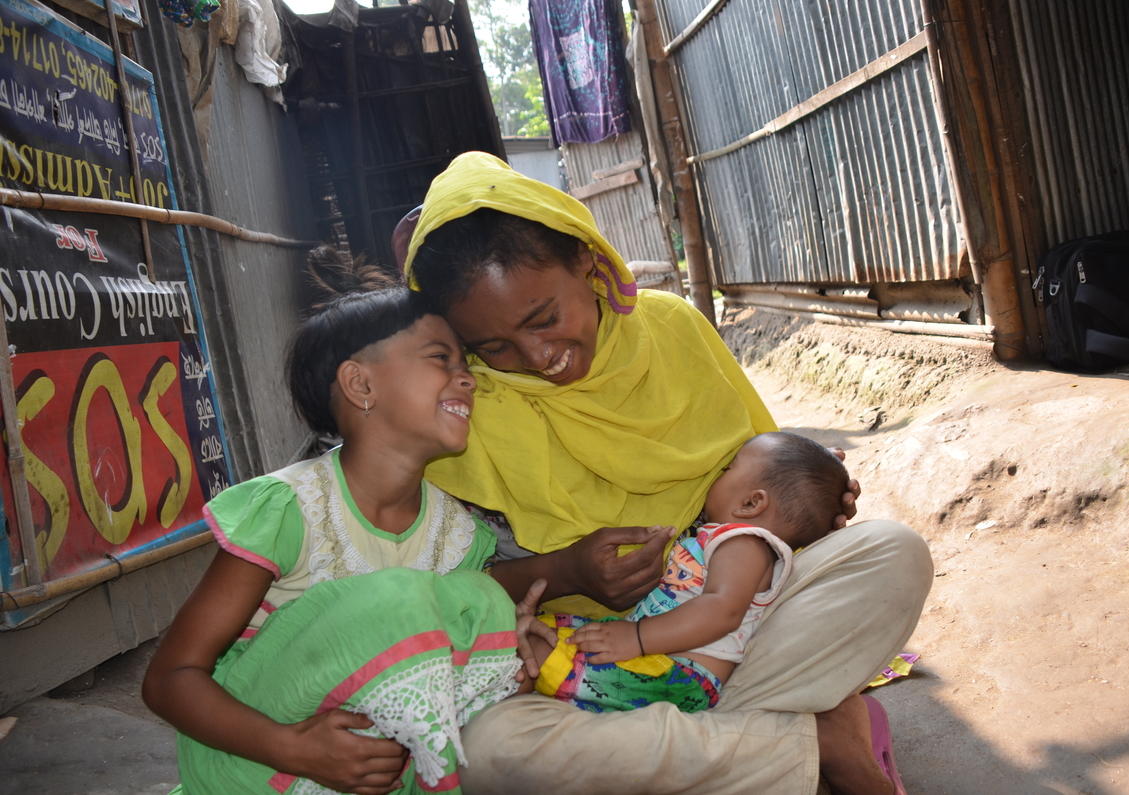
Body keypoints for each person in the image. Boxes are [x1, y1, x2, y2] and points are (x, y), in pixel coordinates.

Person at [401, 152, 934, 794]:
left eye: (544, 319)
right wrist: (568, 571)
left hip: (738, 633)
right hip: (585, 671)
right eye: (495, 349)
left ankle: (721, 755)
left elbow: (765, 475)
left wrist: (810, 510)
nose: (539, 358)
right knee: (488, 754)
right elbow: (456, 587)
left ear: (589, 264)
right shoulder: (469, 415)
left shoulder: (672, 330)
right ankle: (809, 742)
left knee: (890, 552)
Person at [142, 249, 553, 795]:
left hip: (379, 776)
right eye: (440, 359)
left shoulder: (459, 537)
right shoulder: (292, 509)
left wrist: (504, 646)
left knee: (483, 605)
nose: (467, 380)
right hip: (256, 766)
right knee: (419, 601)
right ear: (361, 386)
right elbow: (169, 680)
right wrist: (298, 749)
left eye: (466, 365)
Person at [532, 432, 848, 714]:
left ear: (751, 502)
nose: (718, 475)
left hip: (677, 675)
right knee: (539, 633)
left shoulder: (744, 543)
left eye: (728, 469)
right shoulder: (734, 543)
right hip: (659, 660)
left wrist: (638, 637)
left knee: (539, 653)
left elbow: (722, 610)